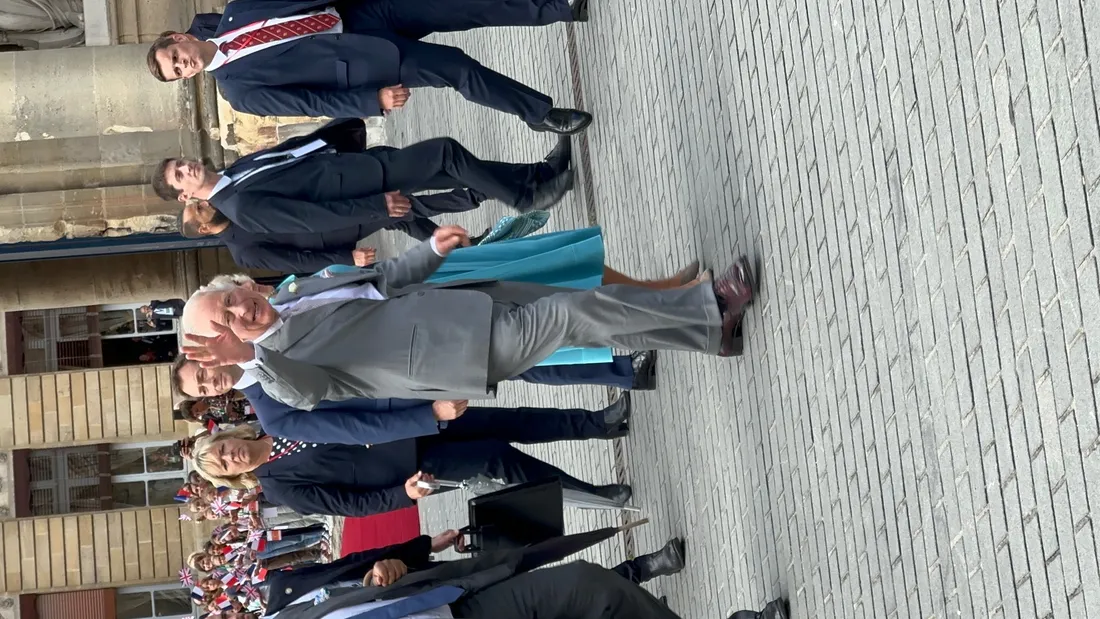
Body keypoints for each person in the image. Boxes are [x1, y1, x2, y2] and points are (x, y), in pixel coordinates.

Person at [180, 225, 755, 410]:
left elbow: (379, 285)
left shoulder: (299, 290)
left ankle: (710, 336)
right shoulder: (281, 368)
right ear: (229, 345)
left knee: (590, 322)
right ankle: (714, 304)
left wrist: (430, 251)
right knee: (578, 309)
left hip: (464, 302)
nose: (238, 313)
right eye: (226, 324)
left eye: (230, 300)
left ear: (241, 285)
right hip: (458, 353)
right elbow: (310, 393)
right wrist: (254, 357)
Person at [145, 1, 592, 134]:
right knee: (457, 68)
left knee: (458, 6)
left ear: (179, 38)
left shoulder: (236, 9)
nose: (184, 66)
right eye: (178, 72)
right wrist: (369, 101)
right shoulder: (239, 91)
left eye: (175, 58)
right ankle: (540, 114)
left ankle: (555, 7)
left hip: (362, 13)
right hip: (363, 65)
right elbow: (311, 101)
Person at [202, 532, 785, 619]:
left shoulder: (290, 610)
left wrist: (392, 568)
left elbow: (358, 584)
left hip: (460, 603)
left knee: (588, 585)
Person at [152, 119, 574, 235]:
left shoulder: (234, 172)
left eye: (180, 163)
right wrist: (375, 207)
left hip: (353, 163)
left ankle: (540, 174)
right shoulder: (240, 207)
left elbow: (291, 156)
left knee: (448, 164)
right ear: (185, 196)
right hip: (365, 186)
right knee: (444, 151)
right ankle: (525, 198)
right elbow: (311, 219)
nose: (186, 169)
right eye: (179, 177)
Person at [187, 421, 632, 517]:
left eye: (224, 448)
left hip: (406, 422)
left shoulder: (274, 421)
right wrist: (404, 494)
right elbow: (349, 506)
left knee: (506, 419)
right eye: (223, 464)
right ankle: (595, 496)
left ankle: (600, 423)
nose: (231, 456)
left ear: (230, 437)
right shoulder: (280, 485)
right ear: (229, 476)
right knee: (498, 458)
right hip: (410, 467)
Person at [174, 354, 632, 445]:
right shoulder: (274, 417)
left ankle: (623, 371)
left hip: (402, 350)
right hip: (406, 400)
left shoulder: (261, 336)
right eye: (203, 388)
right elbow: (351, 428)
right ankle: (598, 423)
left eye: (201, 372)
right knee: (511, 416)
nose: (210, 382)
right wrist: (427, 416)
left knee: (514, 359)